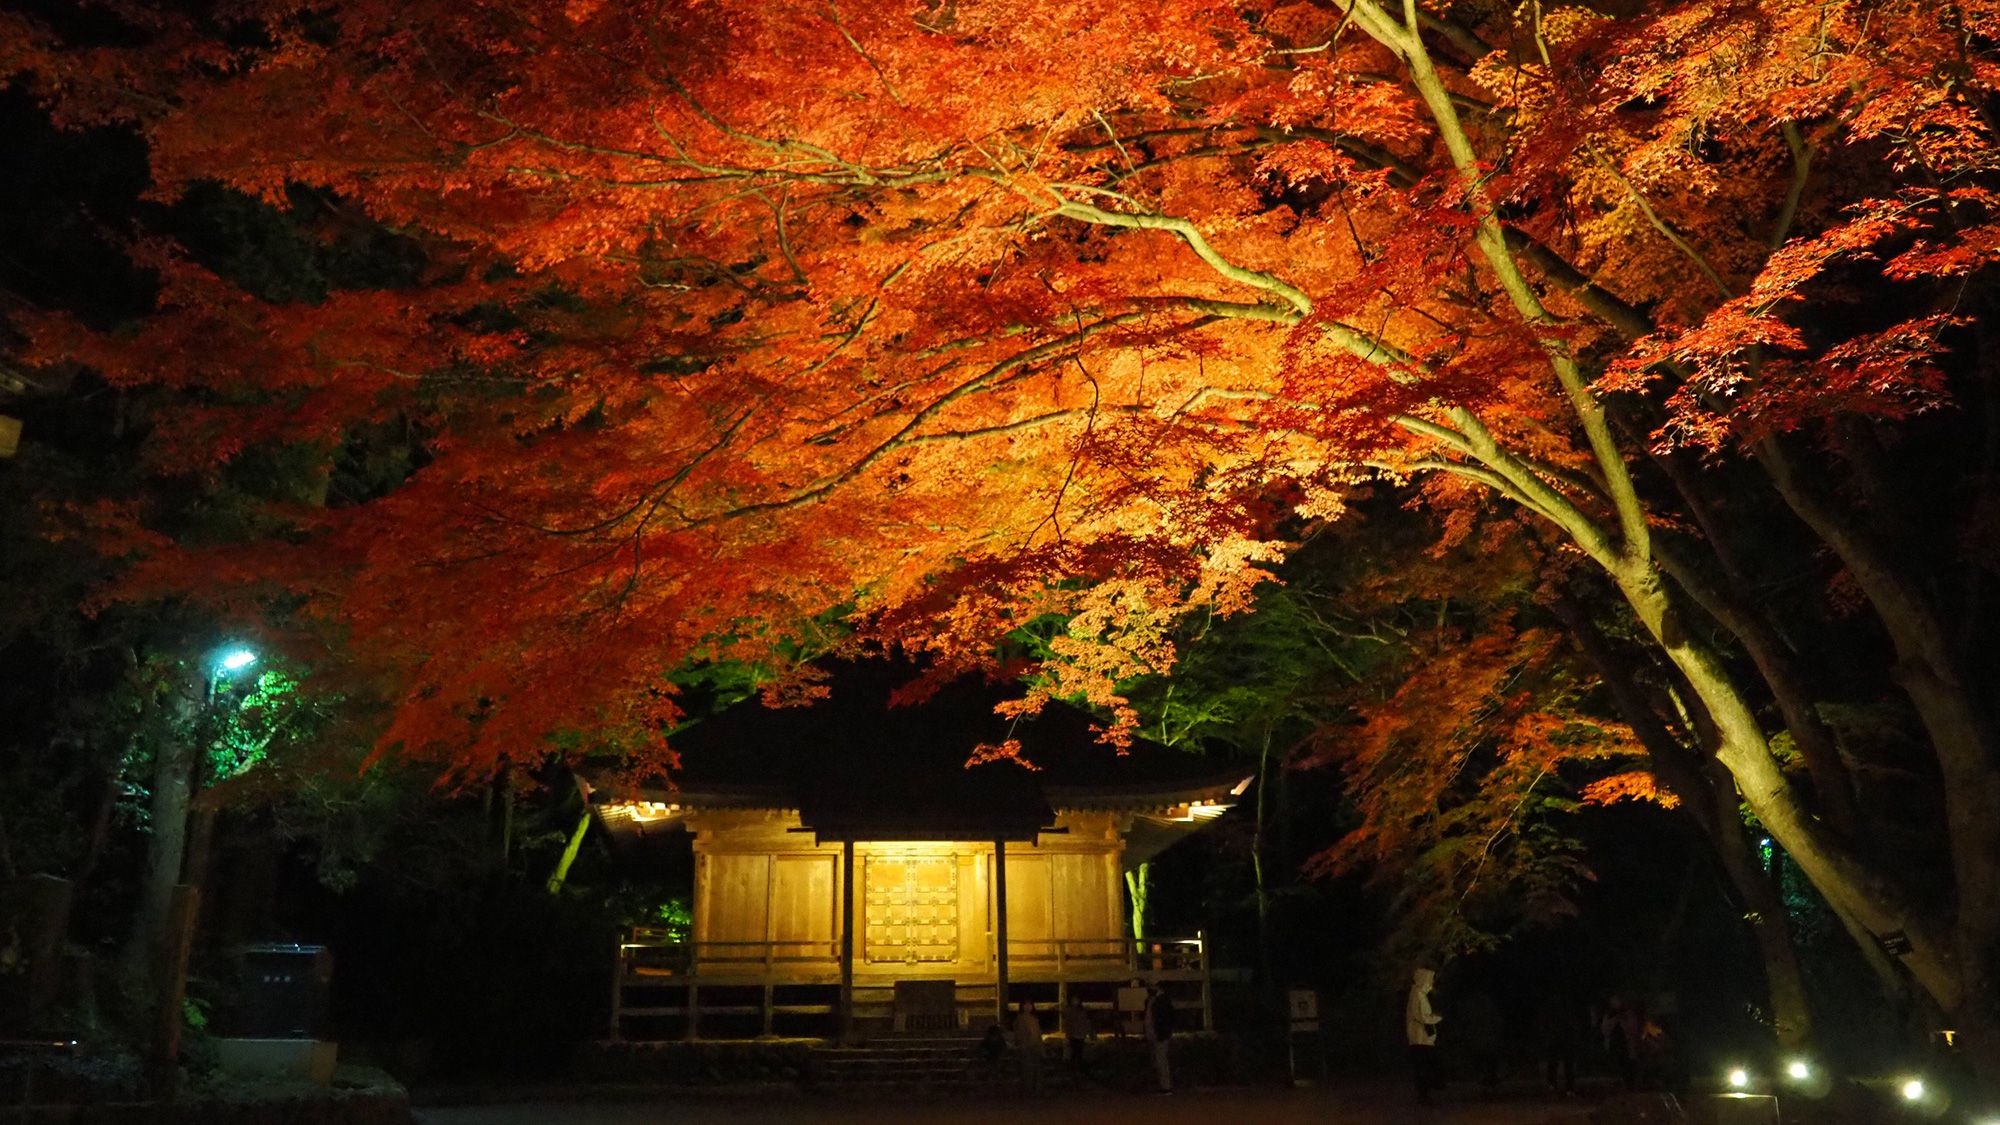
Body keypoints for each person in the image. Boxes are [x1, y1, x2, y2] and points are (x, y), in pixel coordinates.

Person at [1406, 966, 1443, 1104]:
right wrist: (1438, 1018)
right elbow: (1423, 1017)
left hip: (1422, 1038)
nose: (1431, 984)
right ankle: (1424, 1094)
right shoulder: (1418, 995)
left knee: (1424, 1066)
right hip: (1420, 1039)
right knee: (1424, 1066)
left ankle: (1425, 1093)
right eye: (1430, 981)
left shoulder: (1418, 994)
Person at [1143, 981, 1176, 1094]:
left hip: (1160, 1034)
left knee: (1161, 1060)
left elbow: (1166, 1018)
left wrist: (1163, 1032)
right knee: (1156, 1060)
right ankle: (1161, 1085)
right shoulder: (1152, 1000)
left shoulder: (1162, 1000)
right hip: (1153, 1033)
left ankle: (1166, 1087)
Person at [1013, 1000, 1045, 1095]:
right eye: (1025, 1005)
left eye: (1029, 1005)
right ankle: (1028, 1090)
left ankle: (1036, 1090)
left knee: (1036, 1069)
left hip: (1035, 1046)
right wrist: (1021, 1045)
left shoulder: (1034, 1019)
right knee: (1027, 1069)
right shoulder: (1020, 1019)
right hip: (1026, 1047)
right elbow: (1019, 1034)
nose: (1028, 1007)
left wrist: (1041, 1046)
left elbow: (1038, 1034)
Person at [1062, 992, 1094, 1077]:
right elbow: (1067, 1023)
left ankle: (1078, 1070)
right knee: (1073, 1052)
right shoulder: (1069, 1010)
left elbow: (1086, 1022)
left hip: (1080, 1034)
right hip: (1073, 1034)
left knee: (1079, 1052)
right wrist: (1067, 1035)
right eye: (1074, 1000)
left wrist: (1089, 1033)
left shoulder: (1082, 1010)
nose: (1075, 1001)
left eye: (1076, 1000)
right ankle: (1073, 1070)